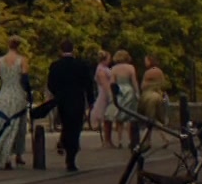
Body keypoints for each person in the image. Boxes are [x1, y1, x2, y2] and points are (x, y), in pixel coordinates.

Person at [35, 41, 96, 173]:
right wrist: (91, 101)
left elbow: (51, 84)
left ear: (60, 50)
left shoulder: (56, 66)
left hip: (62, 100)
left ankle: (64, 142)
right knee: (75, 128)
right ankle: (71, 159)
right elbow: (89, 85)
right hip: (77, 99)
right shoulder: (81, 65)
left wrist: (59, 93)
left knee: (66, 125)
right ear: (73, 50)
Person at [0, 37, 31, 170]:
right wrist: (28, 93)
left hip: (4, 95)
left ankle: (5, 155)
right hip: (17, 95)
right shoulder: (22, 60)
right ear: (19, 46)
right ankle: (17, 154)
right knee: (18, 126)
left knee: (4, 125)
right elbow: (25, 79)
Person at [104, 50, 139, 144]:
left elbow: (112, 83)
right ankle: (129, 140)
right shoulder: (131, 68)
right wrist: (137, 93)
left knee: (119, 117)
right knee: (129, 116)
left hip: (119, 91)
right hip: (129, 91)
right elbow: (134, 82)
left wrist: (112, 94)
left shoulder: (114, 69)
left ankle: (120, 140)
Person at [89, 49, 114, 145]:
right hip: (104, 94)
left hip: (105, 92)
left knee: (108, 117)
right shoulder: (101, 70)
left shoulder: (104, 68)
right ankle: (107, 140)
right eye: (108, 58)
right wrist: (110, 95)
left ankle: (108, 140)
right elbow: (105, 84)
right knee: (106, 117)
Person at [140, 54, 169, 131]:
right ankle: (164, 137)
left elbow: (143, 86)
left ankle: (148, 139)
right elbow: (163, 84)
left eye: (146, 60)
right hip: (161, 96)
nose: (145, 62)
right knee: (158, 117)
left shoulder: (148, 72)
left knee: (149, 118)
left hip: (150, 96)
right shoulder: (159, 71)